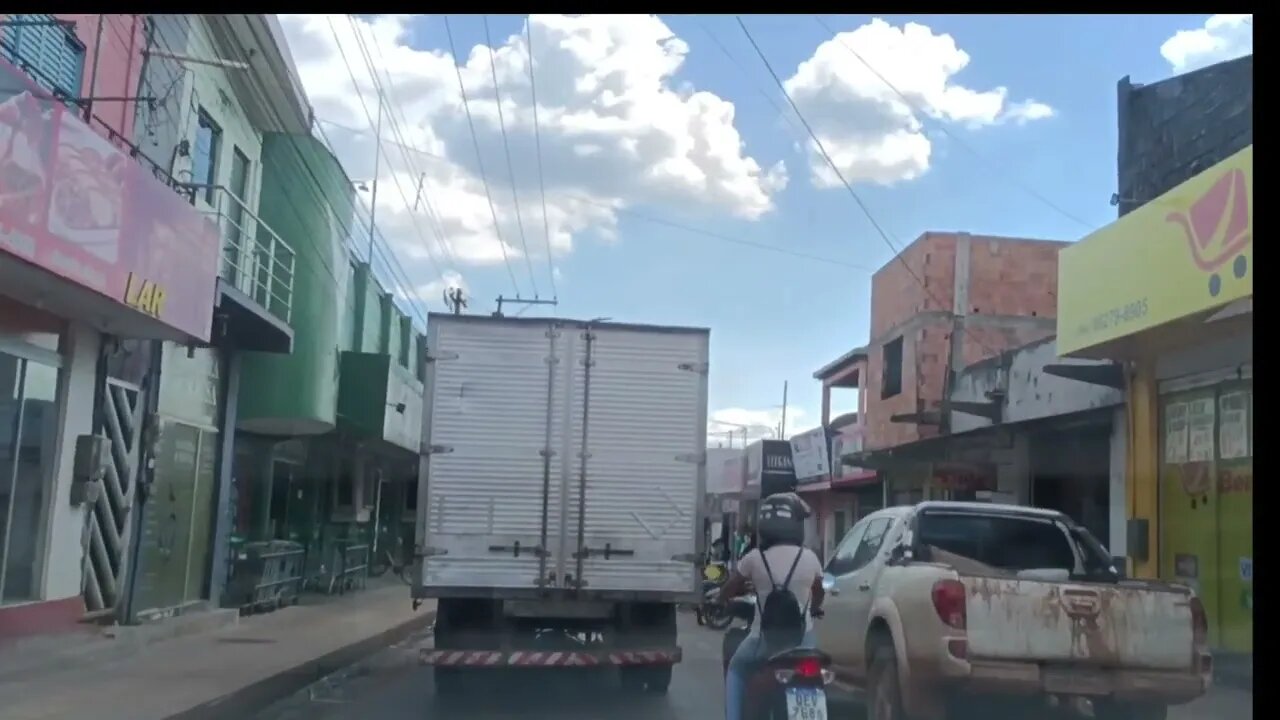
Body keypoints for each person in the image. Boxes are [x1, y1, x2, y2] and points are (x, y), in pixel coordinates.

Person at [719, 493, 825, 720]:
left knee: (736, 670)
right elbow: (819, 593)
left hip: (763, 641)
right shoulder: (810, 558)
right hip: (803, 640)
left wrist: (722, 599)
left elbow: (729, 588)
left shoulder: (754, 558)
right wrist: (814, 608)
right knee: (817, 670)